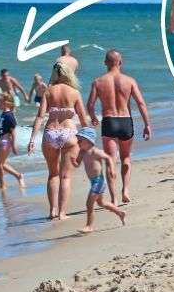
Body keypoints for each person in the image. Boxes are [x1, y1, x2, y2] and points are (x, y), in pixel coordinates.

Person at [87, 49, 151, 204]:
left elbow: (90, 105)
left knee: (110, 161)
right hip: (125, 122)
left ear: (105, 63)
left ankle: (114, 198)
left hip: (109, 122)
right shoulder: (129, 81)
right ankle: (126, 190)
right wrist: (147, 124)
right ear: (120, 63)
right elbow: (141, 103)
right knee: (126, 158)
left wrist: (94, 118)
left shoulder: (98, 82)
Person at [28, 61, 89, 220]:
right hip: (69, 134)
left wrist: (32, 139)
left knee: (53, 174)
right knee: (65, 176)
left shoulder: (48, 91)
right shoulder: (74, 92)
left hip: (50, 133)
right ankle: (62, 213)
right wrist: (87, 139)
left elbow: (40, 116)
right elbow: (83, 119)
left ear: (54, 74)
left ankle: (52, 211)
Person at [71, 127, 125, 233]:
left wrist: (112, 170)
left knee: (89, 203)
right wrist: (74, 163)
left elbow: (108, 158)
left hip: (99, 181)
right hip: (93, 182)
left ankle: (89, 226)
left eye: (80, 140)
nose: (77, 143)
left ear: (88, 140)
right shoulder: (82, 152)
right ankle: (120, 213)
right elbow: (77, 164)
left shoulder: (95, 151)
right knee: (101, 203)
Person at [0, 92, 25, 189]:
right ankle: (18, 176)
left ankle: (2, 185)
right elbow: (2, 128)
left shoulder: (9, 115)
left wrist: (13, 145)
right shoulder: (4, 114)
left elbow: (13, 131)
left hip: (6, 141)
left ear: (6, 103)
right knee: (0, 164)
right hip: (3, 141)